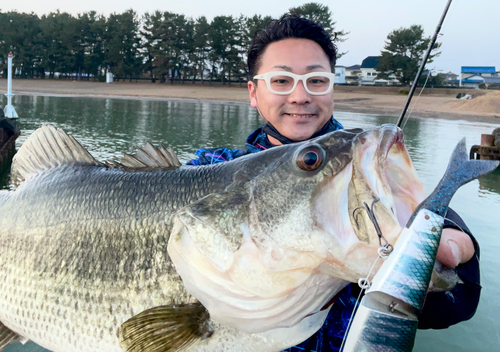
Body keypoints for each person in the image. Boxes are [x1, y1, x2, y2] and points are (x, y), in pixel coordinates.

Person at [188, 15, 480, 351]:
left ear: (331, 88)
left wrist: (452, 244)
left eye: (316, 80)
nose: (300, 96)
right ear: (254, 92)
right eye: (281, 80)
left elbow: (451, 299)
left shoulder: (367, 167)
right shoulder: (210, 169)